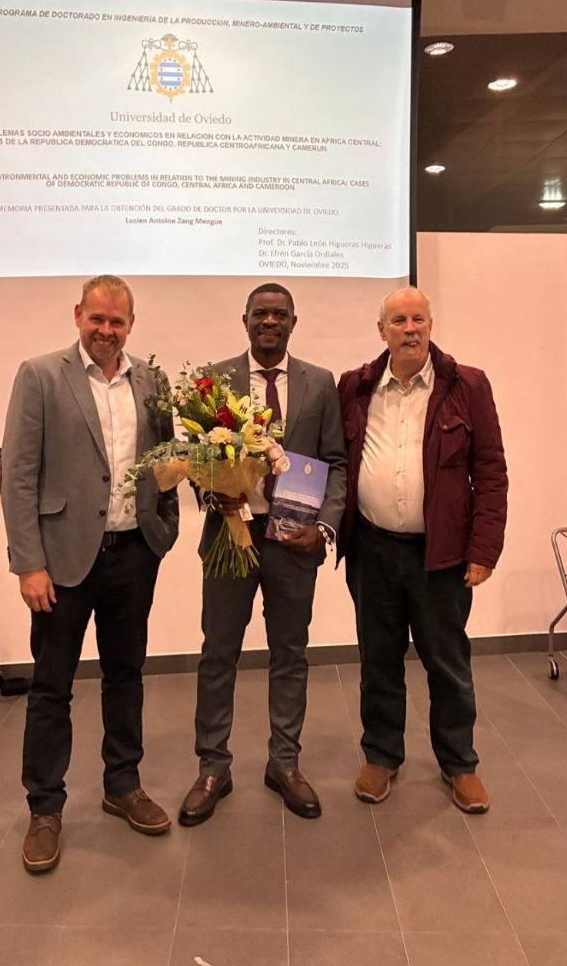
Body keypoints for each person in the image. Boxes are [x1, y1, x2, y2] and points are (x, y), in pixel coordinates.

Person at [0, 274, 179, 873]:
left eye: (116, 321)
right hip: (61, 561)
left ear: (132, 324)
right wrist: (28, 562)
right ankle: (45, 808)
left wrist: (164, 531)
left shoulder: (152, 382)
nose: (106, 330)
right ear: (78, 314)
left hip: (133, 555)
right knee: (52, 686)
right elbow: (17, 475)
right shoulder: (40, 376)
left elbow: (167, 464)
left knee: (126, 674)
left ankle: (122, 784)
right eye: (97, 319)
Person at [178, 284, 347, 826]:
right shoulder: (214, 380)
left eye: (279, 314)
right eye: (260, 313)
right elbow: (195, 460)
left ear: (294, 321)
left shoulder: (319, 382)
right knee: (218, 653)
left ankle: (285, 763)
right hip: (230, 536)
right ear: (245, 320)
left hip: (293, 543)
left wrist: (324, 527)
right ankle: (213, 767)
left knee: (290, 654)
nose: (269, 321)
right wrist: (213, 491)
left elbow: (336, 463)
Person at [338, 286, 508, 815]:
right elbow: (337, 462)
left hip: (442, 556)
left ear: (431, 325)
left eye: (418, 319)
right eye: (398, 321)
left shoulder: (467, 385)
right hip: (372, 550)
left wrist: (484, 549)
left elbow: (491, 473)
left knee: (448, 662)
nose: (410, 329)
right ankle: (381, 755)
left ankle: (459, 763)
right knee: (378, 660)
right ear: (381, 330)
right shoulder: (356, 387)